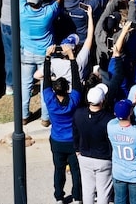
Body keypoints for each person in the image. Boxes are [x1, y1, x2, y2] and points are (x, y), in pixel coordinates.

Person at [43, 42, 82, 204]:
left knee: (58, 170)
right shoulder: (73, 101)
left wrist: (47, 58)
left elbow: (45, 81)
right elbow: (77, 81)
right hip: (73, 142)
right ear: (67, 89)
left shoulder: (50, 100)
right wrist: (72, 58)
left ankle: (59, 196)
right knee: (75, 171)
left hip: (57, 141)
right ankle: (78, 197)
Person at [74, 82, 115, 204]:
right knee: (103, 192)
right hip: (104, 159)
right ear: (102, 100)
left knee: (88, 190)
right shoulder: (109, 119)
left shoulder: (78, 114)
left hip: (85, 156)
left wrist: (77, 150)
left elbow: (75, 134)